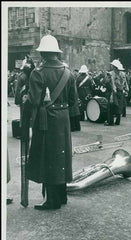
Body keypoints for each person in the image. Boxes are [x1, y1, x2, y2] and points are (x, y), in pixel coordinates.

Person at [24, 34, 76, 210]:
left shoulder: (37, 73)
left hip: (46, 119)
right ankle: (61, 196)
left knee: (48, 157)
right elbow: (73, 100)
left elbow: (34, 101)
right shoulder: (68, 73)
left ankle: (52, 201)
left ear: (43, 53)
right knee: (60, 156)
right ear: (56, 53)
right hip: (63, 118)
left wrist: (25, 99)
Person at [106, 59, 125, 126]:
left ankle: (110, 122)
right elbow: (124, 84)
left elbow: (107, 82)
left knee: (111, 107)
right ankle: (117, 121)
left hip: (113, 92)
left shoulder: (110, 74)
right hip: (120, 92)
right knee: (119, 106)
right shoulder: (122, 74)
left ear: (114, 66)